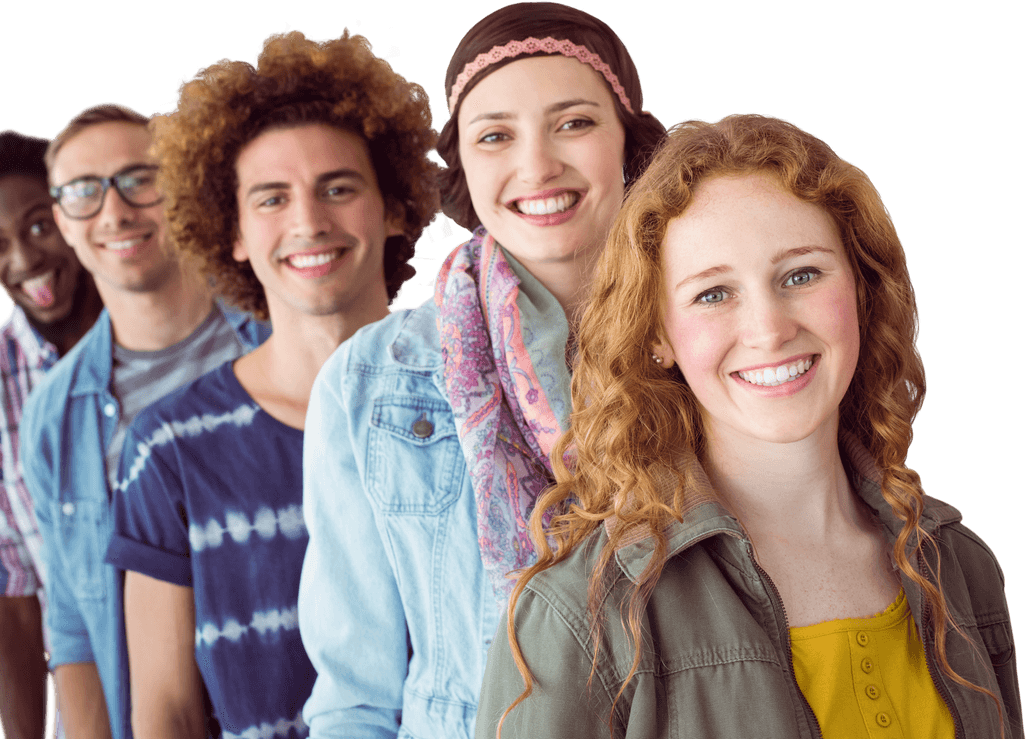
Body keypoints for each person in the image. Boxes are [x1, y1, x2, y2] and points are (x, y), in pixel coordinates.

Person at [475, 113, 1022, 739]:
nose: (769, 329)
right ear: (657, 335)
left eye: (801, 275)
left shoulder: (957, 564)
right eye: (713, 294)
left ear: (862, 291)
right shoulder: (580, 615)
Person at [298, 4, 666, 737]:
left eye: (574, 123)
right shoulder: (371, 378)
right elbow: (355, 701)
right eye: (495, 135)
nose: (537, 165)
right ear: (462, 163)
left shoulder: (719, 341)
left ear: (630, 144)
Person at [105, 28, 439, 739]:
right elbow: (165, 712)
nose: (308, 222)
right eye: (271, 199)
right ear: (231, 232)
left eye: (337, 188)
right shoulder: (169, 450)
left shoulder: (471, 400)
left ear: (395, 206)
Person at [21, 103, 268, 739]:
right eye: (83, 191)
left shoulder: (279, 335)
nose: (115, 211)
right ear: (62, 221)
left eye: (140, 179)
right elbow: (73, 624)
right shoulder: (54, 414)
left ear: (183, 188)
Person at [0, 129, 103, 739]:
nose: (23, 260)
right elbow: (9, 595)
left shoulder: (161, 330)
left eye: (40, 226)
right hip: (92, 710)